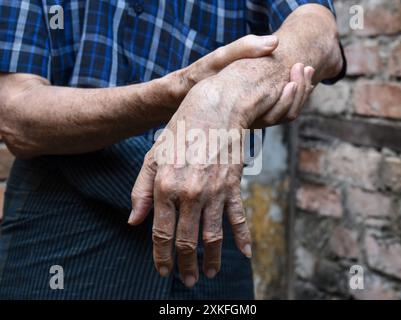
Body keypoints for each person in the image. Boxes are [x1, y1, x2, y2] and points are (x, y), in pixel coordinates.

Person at [0, 0, 345, 299]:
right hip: (62, 221)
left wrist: (225, 93)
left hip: (207, 220)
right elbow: (15, 114)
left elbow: (319, 30)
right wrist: (181, 88)